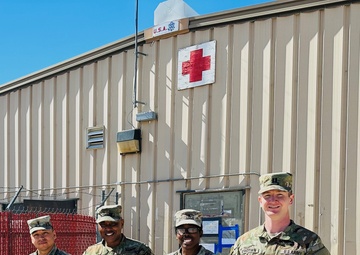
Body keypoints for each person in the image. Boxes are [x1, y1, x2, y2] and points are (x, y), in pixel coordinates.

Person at [229, 172, 331, 255]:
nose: (273, 200)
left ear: (290, 199)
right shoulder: (244, 242)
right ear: (260, 201)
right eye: (267, 195)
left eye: (280, 195)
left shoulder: (309, 242)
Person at [82, 204, 153, 255]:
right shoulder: (91, 252)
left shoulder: (139, 250)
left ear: (122, 223)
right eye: (103, 224)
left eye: (113, 224)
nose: (108, 229)